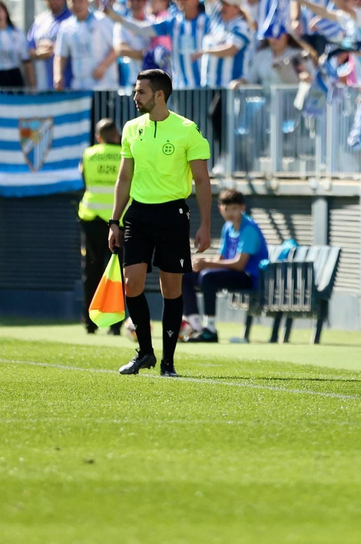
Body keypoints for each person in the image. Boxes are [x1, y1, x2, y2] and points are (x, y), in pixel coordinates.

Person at [108, 68, 213, 378]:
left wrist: (206, 224)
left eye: (140, 92)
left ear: (159, 95)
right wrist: (114, 221)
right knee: (132, 283)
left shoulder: (187, 130)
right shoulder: (130, 128)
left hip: (173, 215)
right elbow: (124, 177)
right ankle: (145, 353)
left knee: (171, 289)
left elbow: (202, 180)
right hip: (138, 215)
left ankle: (168, 363)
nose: (134, 97)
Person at [184, 188, 269, 342]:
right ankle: (195, 326)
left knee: (208, 276)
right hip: (232, 274)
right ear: (220, 209)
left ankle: (210, 329)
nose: (230, 212)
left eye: (234, 208)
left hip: (249, 277)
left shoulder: (249, 228)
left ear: (242, 208)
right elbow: (221, 258)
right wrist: (200, 263)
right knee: (186, 275)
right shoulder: (227, 227)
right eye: (226, 208)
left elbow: (239, 264)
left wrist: (207, 264)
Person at [78, 118, 122, 334]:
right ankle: (116, 324)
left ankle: (90, 321)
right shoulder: (125, 153)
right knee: (118, 273)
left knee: (92, 270)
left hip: (92, 218)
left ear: (98, 137)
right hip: (119, 220)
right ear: (116, 135)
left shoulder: (89, 154)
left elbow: (84, 179)